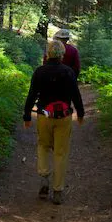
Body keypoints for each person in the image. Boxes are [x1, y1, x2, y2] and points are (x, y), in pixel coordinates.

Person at [23, 39, 85, 205]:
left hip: (44, 117)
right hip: (64, 118)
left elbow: (32, 94)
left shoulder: (39, 71)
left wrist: (27, 115)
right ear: (62, 55)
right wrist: (80, 113)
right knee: (60, 153)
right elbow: (75, 95)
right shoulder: (69, 72)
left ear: (48, 54)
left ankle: (44, 178)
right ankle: (58, 191)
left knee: (43, 146)